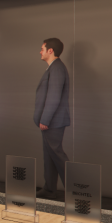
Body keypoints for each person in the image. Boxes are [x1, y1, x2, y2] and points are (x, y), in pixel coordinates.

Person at [34, 38, 70, 199]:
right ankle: (49, 189)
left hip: (53, 122)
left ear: (50, 51)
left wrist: (45, 119)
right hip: (50, 122)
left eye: (42, 49)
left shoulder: (57, 69)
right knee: (49, 155)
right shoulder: (53, 68)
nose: (40, 52)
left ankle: (76, 190)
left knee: (57, 155)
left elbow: (54, 97)